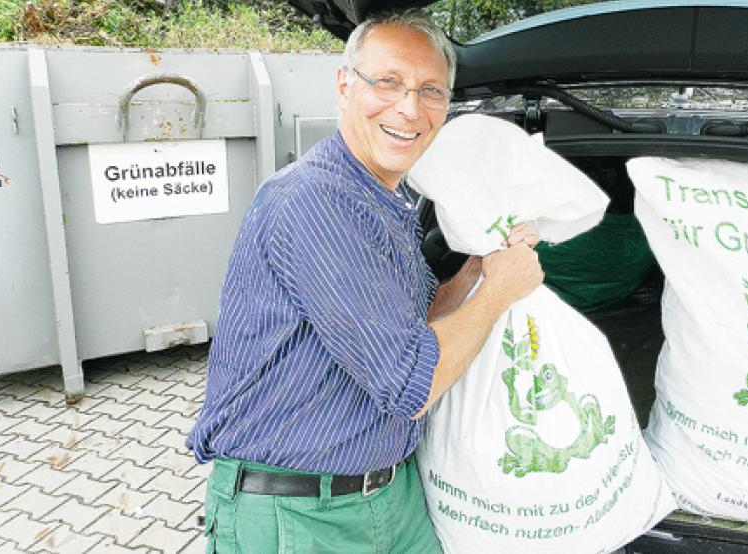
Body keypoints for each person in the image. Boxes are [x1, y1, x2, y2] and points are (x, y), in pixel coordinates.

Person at [185, 10, 543, 553]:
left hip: (392, 498)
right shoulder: (312, 202)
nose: (410, 109)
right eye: (388, 83)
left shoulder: (381, 198)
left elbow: (422, 320)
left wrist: (481, 268)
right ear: (344, 86)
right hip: (297, 516)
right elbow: (410, 385)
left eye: (431, 91)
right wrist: (499, 292)